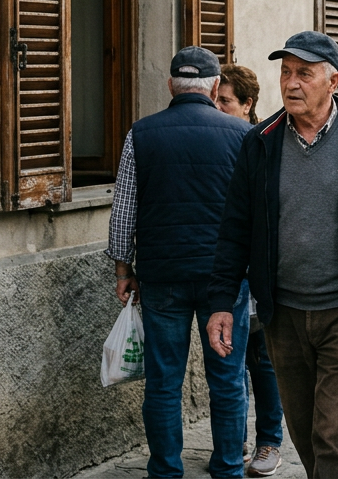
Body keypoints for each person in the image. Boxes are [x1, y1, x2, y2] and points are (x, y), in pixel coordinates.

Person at [206, 31, 338, 479]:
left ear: (333, 81)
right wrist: (222, 301)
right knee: (304, 433)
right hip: (282, 315)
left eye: (304, 73)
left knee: (333, 437)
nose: (291, 83)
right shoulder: (259, 142)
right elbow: (235, 229)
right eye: (286, 72)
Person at [107, 46, 252, 479]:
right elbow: (255, 211)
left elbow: (123, 211)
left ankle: (166, 471)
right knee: (227, 379)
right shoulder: (242, 135)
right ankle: (228, 468)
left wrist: (122, 268)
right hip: (223, 282)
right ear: (212, 88)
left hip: (162, 277)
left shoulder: (141, 133)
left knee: (164, 381)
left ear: (170, 85)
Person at [215, 64, 283, 478]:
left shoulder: (262, 144)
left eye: (225, 101)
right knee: (233, 360)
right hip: (228, 269)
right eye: (215, 99)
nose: (218, 107)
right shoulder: (219, 139)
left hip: (259, 272)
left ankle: (270, 441)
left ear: (247, 105)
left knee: (263, 359)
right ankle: (237, 439)